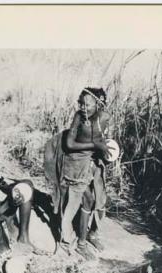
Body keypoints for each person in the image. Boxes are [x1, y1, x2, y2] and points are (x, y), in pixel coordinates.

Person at [44, 87, 113, 260]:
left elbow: (102, 139)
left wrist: (105, 151)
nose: (82, 107)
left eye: (86, 104)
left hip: (91, 162)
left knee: (99, 197)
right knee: (84, 199)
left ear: (99, 105)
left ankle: (91, 234)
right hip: (74, 162)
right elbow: (70, 144)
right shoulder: (78, 117)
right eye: (80, 103)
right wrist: (95, 146)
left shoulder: (104, 117)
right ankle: (78, 243)